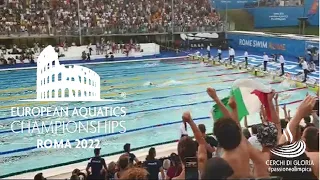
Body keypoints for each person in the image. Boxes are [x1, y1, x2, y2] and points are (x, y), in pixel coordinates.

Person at [173, 112, 208, 179]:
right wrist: (190, 121)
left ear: (180, 157)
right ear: (196, 153)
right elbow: (201, 141)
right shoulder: (202, 170)